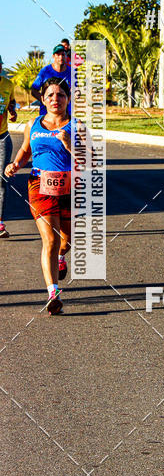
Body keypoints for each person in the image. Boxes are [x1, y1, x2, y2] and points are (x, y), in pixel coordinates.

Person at [5, 78, 72, 314]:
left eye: (61, 95)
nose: (56, 99)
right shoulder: (33, 124)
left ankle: (61, 258)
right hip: (39, 186)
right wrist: (15, 164)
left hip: (71, 187)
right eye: (51, 95)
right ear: (43, 100)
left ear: (68, 98)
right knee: (50, 241)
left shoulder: (77, 126)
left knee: (67, 241)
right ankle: (53, 293)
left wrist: (70, 145)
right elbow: (25, 150)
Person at [0, 55, 17, 238]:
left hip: (2, 137)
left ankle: (0, 223)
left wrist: (12, 111)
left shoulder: (7, 84)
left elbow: (11, 103)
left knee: (2, 180)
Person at [31, 45, 71, 115]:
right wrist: (46, 101)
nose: (61, 57)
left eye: (63, 54)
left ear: (66, 56)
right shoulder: (45, 71)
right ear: (53, 56)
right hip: (46, 114)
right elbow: (34, 90)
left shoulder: (72, 72)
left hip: (66, 114)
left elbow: (77, 90)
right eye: (58, 55)